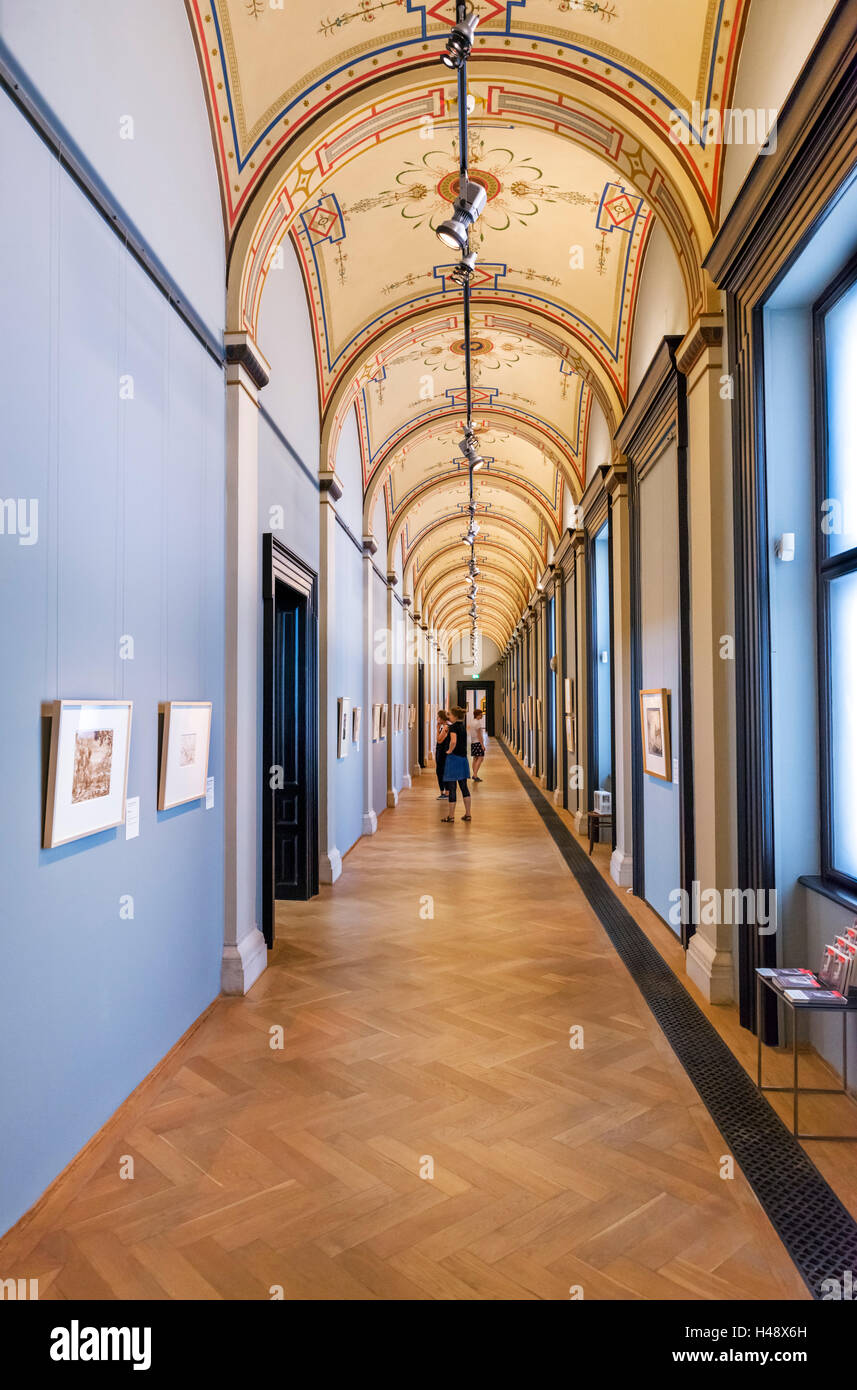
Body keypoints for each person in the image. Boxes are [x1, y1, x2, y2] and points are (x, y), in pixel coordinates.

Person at [441, 705, 472, 823]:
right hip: (463, 759)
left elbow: (453, 741)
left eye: (449, 714)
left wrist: (449, 750)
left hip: (454, 759)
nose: (448, 716)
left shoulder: (453, 727)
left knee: (452, 787)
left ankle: (451, 816)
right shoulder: (463, 726)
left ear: (454, 716)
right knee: (464, 787)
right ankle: (468, 814)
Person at [469, 703, 488, 782]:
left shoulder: (472, 722)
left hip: (473, 742)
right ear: (477, 715)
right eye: (481, 715)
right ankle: (475, 775)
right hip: (477, 742)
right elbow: (480, 735)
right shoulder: (478, 723)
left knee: (475, 758)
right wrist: (482, 745)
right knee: (480, 758)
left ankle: (474, 774)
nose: (482, 716)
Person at [435, 710, 451, 799]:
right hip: (441, 751)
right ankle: (443, 792)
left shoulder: (445, 727)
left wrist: (437, 729)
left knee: (441, 771)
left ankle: (446, 792)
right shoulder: (445, 726)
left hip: (442, 752)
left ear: (441, 718)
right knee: (440, 771)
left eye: (438, 717)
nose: (437, 719)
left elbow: (439, 740)